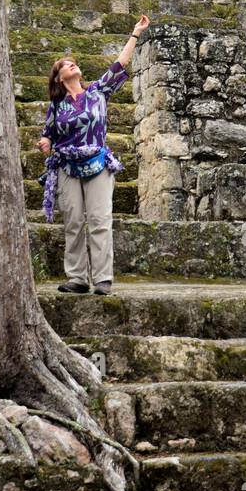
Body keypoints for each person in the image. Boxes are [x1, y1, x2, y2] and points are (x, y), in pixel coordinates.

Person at [36, 16, 150, 294]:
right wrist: (44, 142)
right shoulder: (57, 106)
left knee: (99, 221)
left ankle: (102, 279)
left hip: (98, 163)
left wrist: (135, 33)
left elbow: (119, 65)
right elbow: (48, 133)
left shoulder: (97, 92)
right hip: (66, 167)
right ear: (59, 78)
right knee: (73, 223)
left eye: (71, 62)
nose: (70, 64)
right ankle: (77, 278)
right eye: (63, 65)